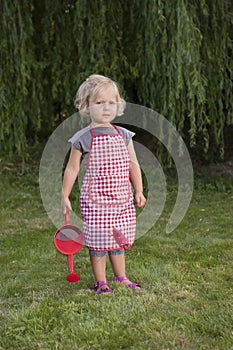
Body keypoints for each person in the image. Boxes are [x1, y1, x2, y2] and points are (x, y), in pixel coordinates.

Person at [61, 74, 146, 294]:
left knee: (118, 240)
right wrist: (64, 195)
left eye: (111, 102)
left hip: (121, 199)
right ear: (86, 106)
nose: (106, 108)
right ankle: (101, 281)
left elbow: (132, 164)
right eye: (100, 103)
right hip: (96, 201)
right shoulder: (83, 137)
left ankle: (121, 277)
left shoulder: (124, 135)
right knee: (98, 242)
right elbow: (72, 168)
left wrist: (139, 189)